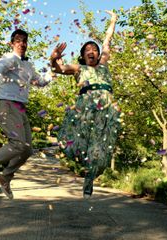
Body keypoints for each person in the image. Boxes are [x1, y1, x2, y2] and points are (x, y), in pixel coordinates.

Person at [0, 29, 50, 199]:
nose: (22, 43)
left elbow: (41, 82)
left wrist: (54, 66)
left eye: (24, 41)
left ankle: (5, 176)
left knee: (27, 150)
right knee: (18, 143)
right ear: (12, 43)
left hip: (20, 108)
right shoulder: (8, 58)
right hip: (6, 104)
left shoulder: (28, 65)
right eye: (18, 40)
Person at [50, 11, 120, 199]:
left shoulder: (103, 64)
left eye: (94, 49)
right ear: (83, 55)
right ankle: (82, 166)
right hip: (86, 110)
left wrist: (113, 21)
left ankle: (90, 178)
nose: (92, 51)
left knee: (99, 147)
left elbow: (107, 41)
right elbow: (59, 68)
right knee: (78, 144)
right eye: (88, 49)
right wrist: (53, 58)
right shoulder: (78, 68)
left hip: (106, 109)